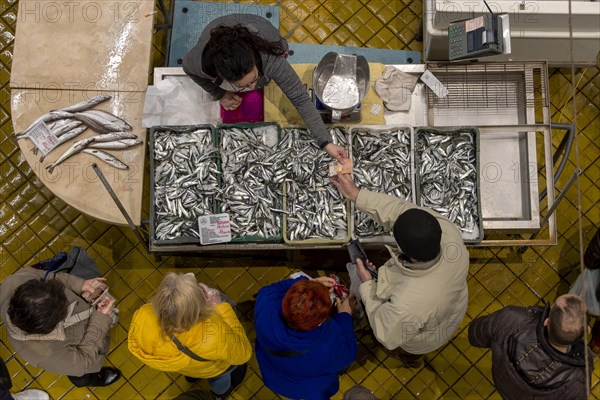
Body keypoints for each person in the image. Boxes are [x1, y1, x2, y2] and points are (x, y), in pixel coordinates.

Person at [330, 173, 469, 368]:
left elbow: (386, 332)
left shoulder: (408, 304)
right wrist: (356, 195)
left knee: (408, 351)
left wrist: (368, 284)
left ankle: (412, 361)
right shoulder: (447, 232)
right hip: (454, 305)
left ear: (405, 252)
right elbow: (400, 210)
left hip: (428, 334)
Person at [182, 14, 347, 162]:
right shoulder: (200, 63)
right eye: (243, 86)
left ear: (255, 61)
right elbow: (187, 68)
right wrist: (220, 93)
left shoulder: (271, 58)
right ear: (222, 76)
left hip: (257, 29)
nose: (253, 87)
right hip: (215, 33)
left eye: (254, 78)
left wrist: (326, 142)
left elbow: (301, 99)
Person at [128, 273, 252, 400]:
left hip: (187, 368)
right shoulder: (211, 334)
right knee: (219, 379)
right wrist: (220, 307)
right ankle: (220, 394)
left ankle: (191, 377)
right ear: (197, 310)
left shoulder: (142, 315)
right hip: (212, 369)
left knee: (193, 370)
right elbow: (244, 354)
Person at [0, 267, 121, 387]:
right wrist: (100, 320)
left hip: (82, 325)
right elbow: (81, 364)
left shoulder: (14, 281)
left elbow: (48, 277)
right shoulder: (45, 353)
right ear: (49, 327)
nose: (66, 295)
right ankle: (94, 379)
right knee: (81, 376)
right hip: (81, 358)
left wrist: (79, 285)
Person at [468, 294, 594, 399]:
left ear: (547, 321)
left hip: (502, 381)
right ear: (587, 330)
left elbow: (475, 334)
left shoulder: (512, 318)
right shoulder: (577, 380)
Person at [254, 275, 357, 400]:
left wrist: (306, 286)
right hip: (306, 387)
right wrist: (345, 316)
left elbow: (275, 288)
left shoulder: (265, 302)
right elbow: (349, 353)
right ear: (319, 322)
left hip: (271, 371)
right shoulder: (328, 349)